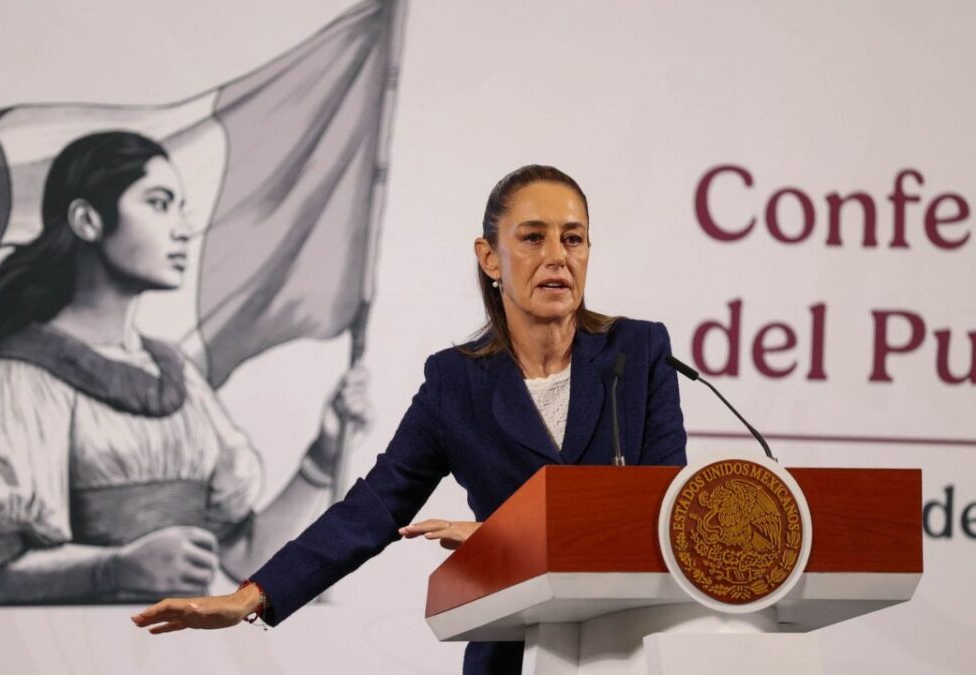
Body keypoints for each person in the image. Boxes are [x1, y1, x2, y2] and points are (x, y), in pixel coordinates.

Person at [131, 165, 687, 673]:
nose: (557, 256)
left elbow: (664, 517)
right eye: (533, 237)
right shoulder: (457, 383)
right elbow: (373, 507)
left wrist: (503, 541)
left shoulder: (636, 353)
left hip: (629, 648)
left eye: (573, 238)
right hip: (513, 655)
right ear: (490, 257)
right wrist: (251, 597)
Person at [0, 131, 369, 605]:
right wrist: (115, 569)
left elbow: (248, 559)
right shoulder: (21, 377)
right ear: (87, 220)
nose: (183, 228)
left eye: (180, 207)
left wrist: (322, 456)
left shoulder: (177, 376)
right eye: (160, 204)